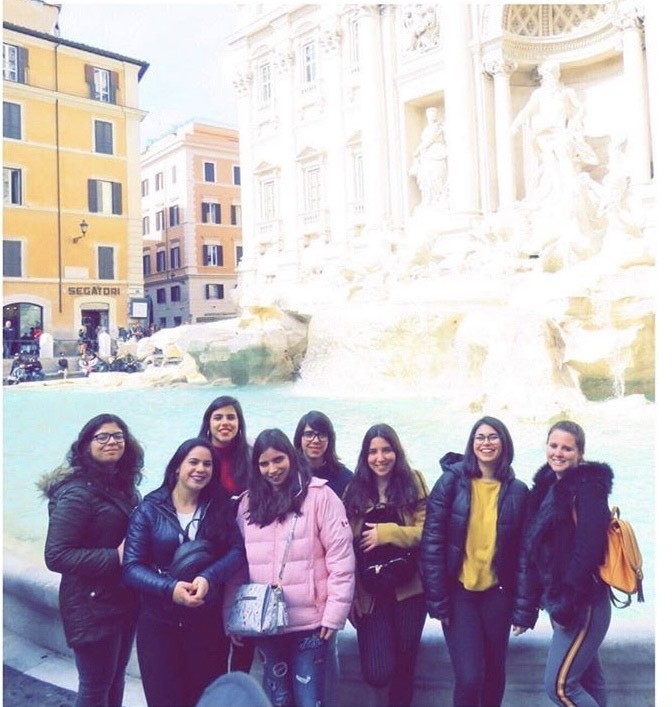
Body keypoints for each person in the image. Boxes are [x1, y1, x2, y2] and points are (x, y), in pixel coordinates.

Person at [228, 428, 355, 707]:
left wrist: (334, 614)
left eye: (278, 460)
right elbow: (238, 564)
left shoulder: (320, 497)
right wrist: (232, 612)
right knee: (278, 700)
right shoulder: (247, 504)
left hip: (311, 622)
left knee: (310, 701)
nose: (272, 469)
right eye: (264, 463)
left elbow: (341, 558)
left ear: (292, 457)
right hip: (265, 623)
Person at [122, 437, 246, 707]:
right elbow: (131, 567)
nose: (200, 469)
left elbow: (237, 551)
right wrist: (170, 590)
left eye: (207, 464)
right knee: (165, 699)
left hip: (207, 622)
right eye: (193, 462)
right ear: (177, 467)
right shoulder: (149, 510)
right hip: (158, 624)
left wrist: (208, 577)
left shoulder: (219, 507)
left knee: (206, 698)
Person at [420, 416, 529, 707]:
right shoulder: (451, 483)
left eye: (493, 437)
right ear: (472, 444)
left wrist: (524, 608)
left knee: (494, 675)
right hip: (459, 594)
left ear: (504, 444)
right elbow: (431, 543)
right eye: (480, 437)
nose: (486, 443)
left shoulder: (518, 492)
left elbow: (524, 556)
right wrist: (437, 599)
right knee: (470, 677)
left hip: (497, 595)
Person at [38, 414, 144, 706]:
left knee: (115, 677)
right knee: (96, 687)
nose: (112, 442)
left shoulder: (120, 486)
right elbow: (56, 554)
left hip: (120, 598)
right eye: (103, 437)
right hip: (90, 605)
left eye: (118, 436)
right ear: (85, 445)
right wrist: (116, 557)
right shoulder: (76, 493)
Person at [512, 420, 614, 707]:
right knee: (590, 682)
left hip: (583, 603)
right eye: (554, 445)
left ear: (580, 453)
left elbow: (588, 551)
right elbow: (534, 552)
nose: (558, 453)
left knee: (560, 687)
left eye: (567, 448)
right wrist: (529, 605)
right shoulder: (546, 488)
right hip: (562, 602)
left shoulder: (588, 489)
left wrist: (566, 599)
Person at [342, 423, 429, 707]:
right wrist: (351, 595)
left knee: (405, 665)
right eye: (373, 452)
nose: (380, 458)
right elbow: (343, 547)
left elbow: (427, 533)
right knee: (377, 672)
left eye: (386, 450)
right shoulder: (354, 490)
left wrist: (388, 533)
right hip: (371, 595)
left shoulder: (413, 481)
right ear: (365, 456)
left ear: (396, 452)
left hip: (409, 590)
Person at [293, 410, 354, 706]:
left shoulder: (344, 478)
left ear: (330, 440)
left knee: (326, 653)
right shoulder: (287, 472)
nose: (315, 440)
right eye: (308, 434)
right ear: (299, 438)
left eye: (321, 434)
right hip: (295, 575)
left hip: (329, 573)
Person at [197, 395, 256, 673]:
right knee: (212, 635)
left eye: (231, 417)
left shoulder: (251, 455)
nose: (225, 423)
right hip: (209, 552)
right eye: (218, 417)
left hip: (247, 553)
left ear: (239, 422)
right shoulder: (197, 455)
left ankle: (237, 691)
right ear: (208, 422)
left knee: (244, 633)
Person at [511, 59, 597, 207]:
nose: (549, 76)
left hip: (561, 131)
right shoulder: (539, 94)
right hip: (544, 133)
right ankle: (558, 192)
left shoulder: (566, 92)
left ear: (557, 74)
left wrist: (575, 121)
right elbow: (527, 110)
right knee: (550, 158)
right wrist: (515, 124)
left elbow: (580, 109)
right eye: (546, 74)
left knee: (562, 149)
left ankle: (569, 189)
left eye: (552, 73)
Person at [408, 106, 449, 205]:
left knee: (437, 175)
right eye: (429, 114)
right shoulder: (427, 128)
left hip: (437, 152)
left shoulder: (438, 127)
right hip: (426, 155)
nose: (431, 116)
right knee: (426, 177)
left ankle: (438, 198)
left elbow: (431, 139)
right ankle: (429, 199)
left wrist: (418, 149)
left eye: (433, 114)